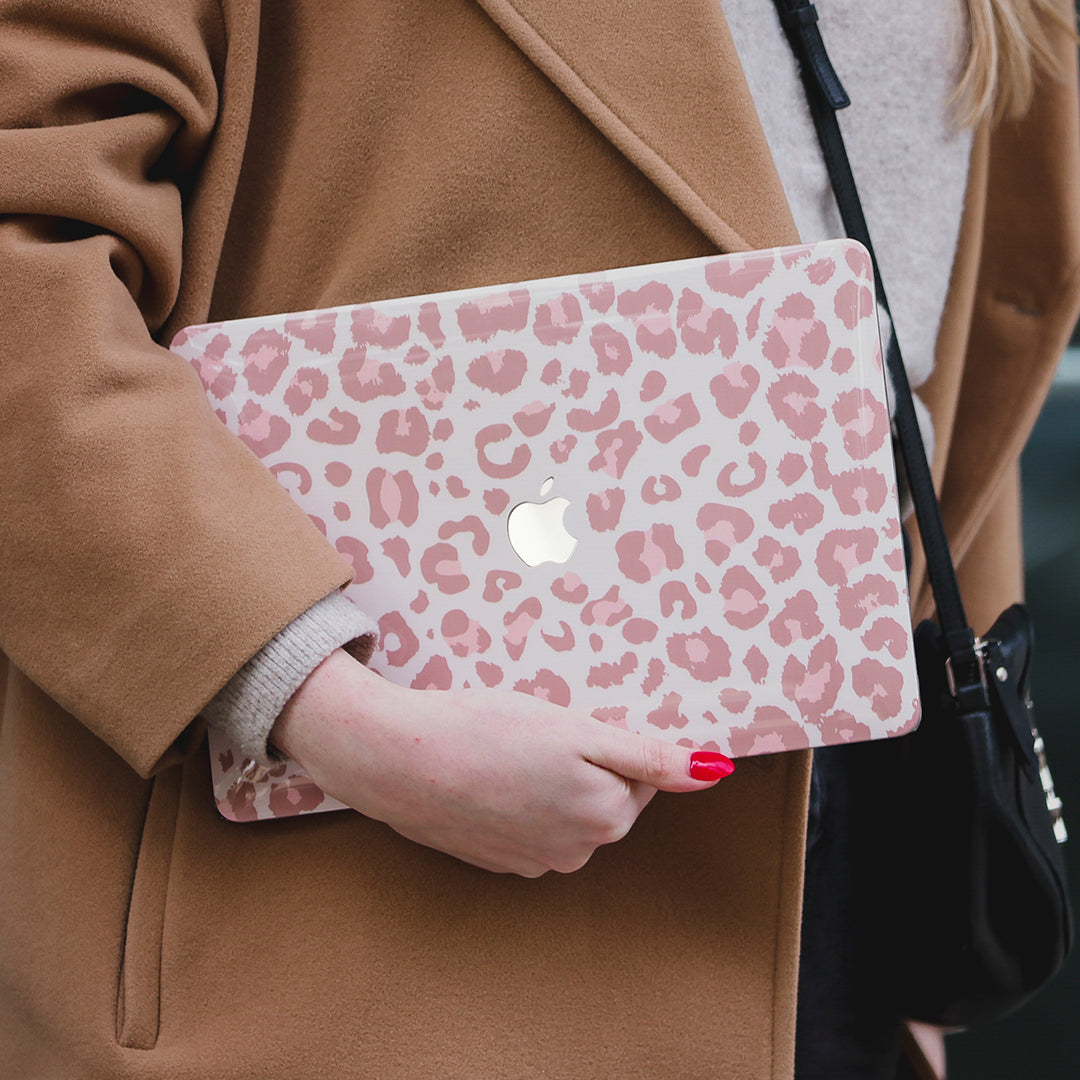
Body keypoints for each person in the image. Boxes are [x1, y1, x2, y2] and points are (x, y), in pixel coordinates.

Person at [1, 1, 1077, 1077]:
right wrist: (320, 706)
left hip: (834, 902)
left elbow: (926, 374)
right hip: (348, 913)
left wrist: (921, 906)